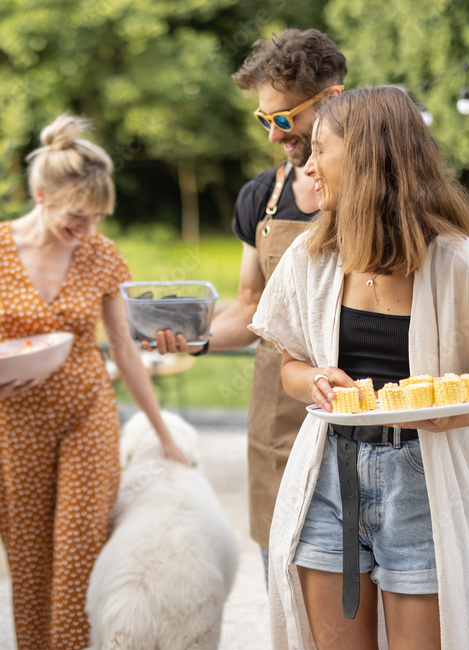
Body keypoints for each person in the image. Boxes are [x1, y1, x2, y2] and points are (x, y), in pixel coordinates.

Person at [249, 86, 469, 650]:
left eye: (321, 150)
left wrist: (445, 410)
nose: (309, 166)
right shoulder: (311, 257)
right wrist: (316, 380)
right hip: (328, 475)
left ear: (368, 157)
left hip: (421, 480)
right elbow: (289, 363)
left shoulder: (459, 261)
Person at [0, 114, 188, 650]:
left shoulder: (102, 254)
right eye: (77, 216)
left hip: (88, 413)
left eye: (98, 218)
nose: (87, 229)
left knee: (81, 559)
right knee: (29, 566)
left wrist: (163, 436)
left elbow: (126, 350)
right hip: (14, 420)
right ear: (41, 194)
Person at [153, 29, 346, 574]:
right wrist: (194, 337)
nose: (272, 135)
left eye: (284, 119)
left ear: (331, 102)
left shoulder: (376, 192)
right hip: (279, 420)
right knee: (284, 581)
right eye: (264, 120)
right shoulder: (260, 196)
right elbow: (249, 307)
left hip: (361, 409)